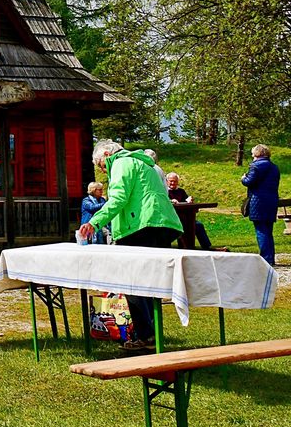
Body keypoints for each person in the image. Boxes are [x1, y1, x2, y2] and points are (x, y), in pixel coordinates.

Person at [79, 140, 183, 352]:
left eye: (101, 165)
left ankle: (146, 336)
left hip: (141, 226)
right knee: (151, 283)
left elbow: (118, 198)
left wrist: (94, 222)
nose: (102, 169)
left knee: (130, 282)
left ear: (107, 154)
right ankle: (152, 334)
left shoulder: (121, 163)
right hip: (162, 224)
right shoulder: (146, 164)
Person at [165, 172, 227, 251]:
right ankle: (185, 247)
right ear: (167, 181)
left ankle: (207, 247)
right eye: (171, 181)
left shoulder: (181, 191)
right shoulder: (164, 192)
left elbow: (186, 202)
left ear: (178, 182)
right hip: (172, 218)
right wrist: (171, 201)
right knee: (183, 224)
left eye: (175, 181)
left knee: (198, 225)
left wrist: (189, 201)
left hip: (185, 217)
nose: (173, 183)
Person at [241, 144, 280, 266]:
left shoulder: (255, 166)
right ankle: (270, 257)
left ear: (258, 154)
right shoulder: (274, 167)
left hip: (258, 201)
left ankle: (265, 259)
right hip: (272, 201)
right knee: (268, 231)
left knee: (261, 231)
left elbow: (249, 182)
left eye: (253, 153)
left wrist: (243, 178)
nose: (252, 156)